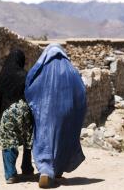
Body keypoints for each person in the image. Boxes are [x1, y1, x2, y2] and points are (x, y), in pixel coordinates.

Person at [25, 43, 87, 188]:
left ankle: (46, 170)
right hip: (67, 111)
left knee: (44, 137)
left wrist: (34, 103)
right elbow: (82, 93)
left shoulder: (41, 69)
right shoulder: (72, 70)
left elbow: (29, 83)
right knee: (62, 137)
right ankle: (57, 169)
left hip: (44, 110)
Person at [0, 48, 34, 184]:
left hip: (8, 111)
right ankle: (27, 168)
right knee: (28, 140)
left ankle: (10, 174)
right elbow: (32, 94)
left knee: (9, 141)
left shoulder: (1, 77)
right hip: (24, 110)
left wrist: (1, 112)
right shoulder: (25, 75)